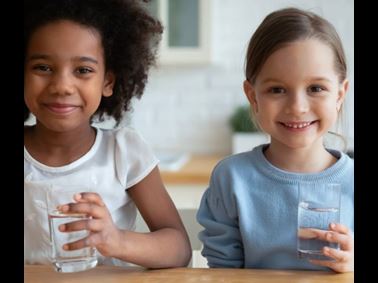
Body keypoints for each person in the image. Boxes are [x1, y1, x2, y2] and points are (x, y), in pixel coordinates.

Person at [24, 0, 191, 268]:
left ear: (108, 82)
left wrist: (116, 240)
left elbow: (180, 250)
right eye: (43, 67)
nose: (62, 86)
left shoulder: (124, 151)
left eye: (83, 70)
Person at [196, 7, 353, 273]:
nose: (298, 107)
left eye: (316, 88)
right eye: (277, 89)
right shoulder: (232, 178)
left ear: (340, 94)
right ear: (253, 96)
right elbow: (223, 273)